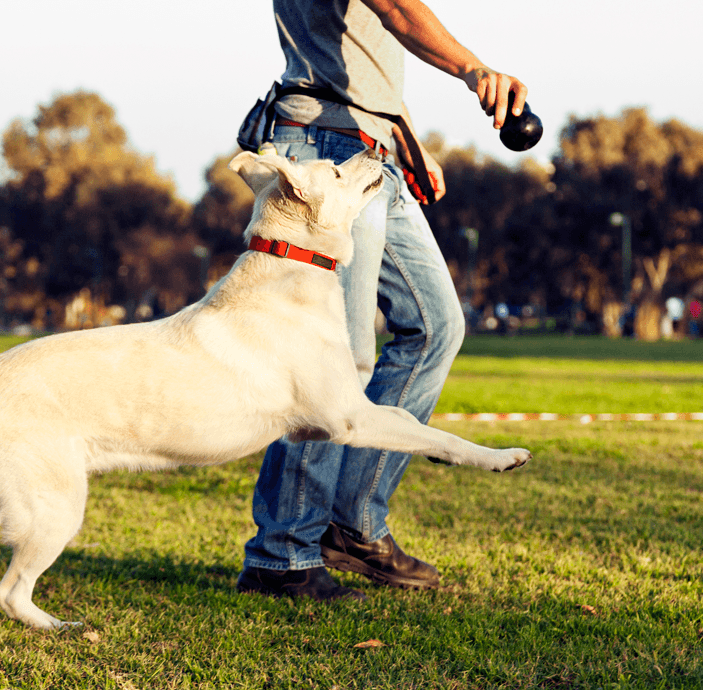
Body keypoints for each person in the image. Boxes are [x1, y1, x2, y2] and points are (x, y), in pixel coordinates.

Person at [235, 0, 530, 601]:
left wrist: (404, 136)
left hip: (371, 149)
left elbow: (362, 52)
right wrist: (473, 69)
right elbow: (396, 8)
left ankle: (353, 524)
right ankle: (283, 554)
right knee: (334, 362)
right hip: (325, 151)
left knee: (436, 326)